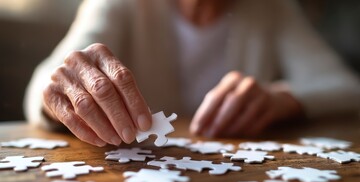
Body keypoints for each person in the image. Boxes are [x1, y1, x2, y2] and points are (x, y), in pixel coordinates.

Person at [24, 0, 360, 147]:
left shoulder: (272, 7)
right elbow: (47, 81)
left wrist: (286, 99)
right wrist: (61, 92)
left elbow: (347, 87)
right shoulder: (119, 3)